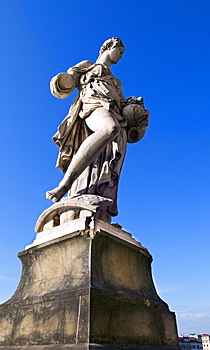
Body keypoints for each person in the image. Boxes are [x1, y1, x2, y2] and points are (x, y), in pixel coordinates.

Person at [46, 37, 148, 221]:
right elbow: (67, 83)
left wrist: (134, 107)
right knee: (109, 128)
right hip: (95, 105)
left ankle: (99, 210)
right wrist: (66, 80)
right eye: (120, 50)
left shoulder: (116, 82)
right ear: (108, 47)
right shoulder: (89, 66)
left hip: (117, 115)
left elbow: (123, 106)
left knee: (107, 162)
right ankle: (65, 184)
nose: (121, 55)